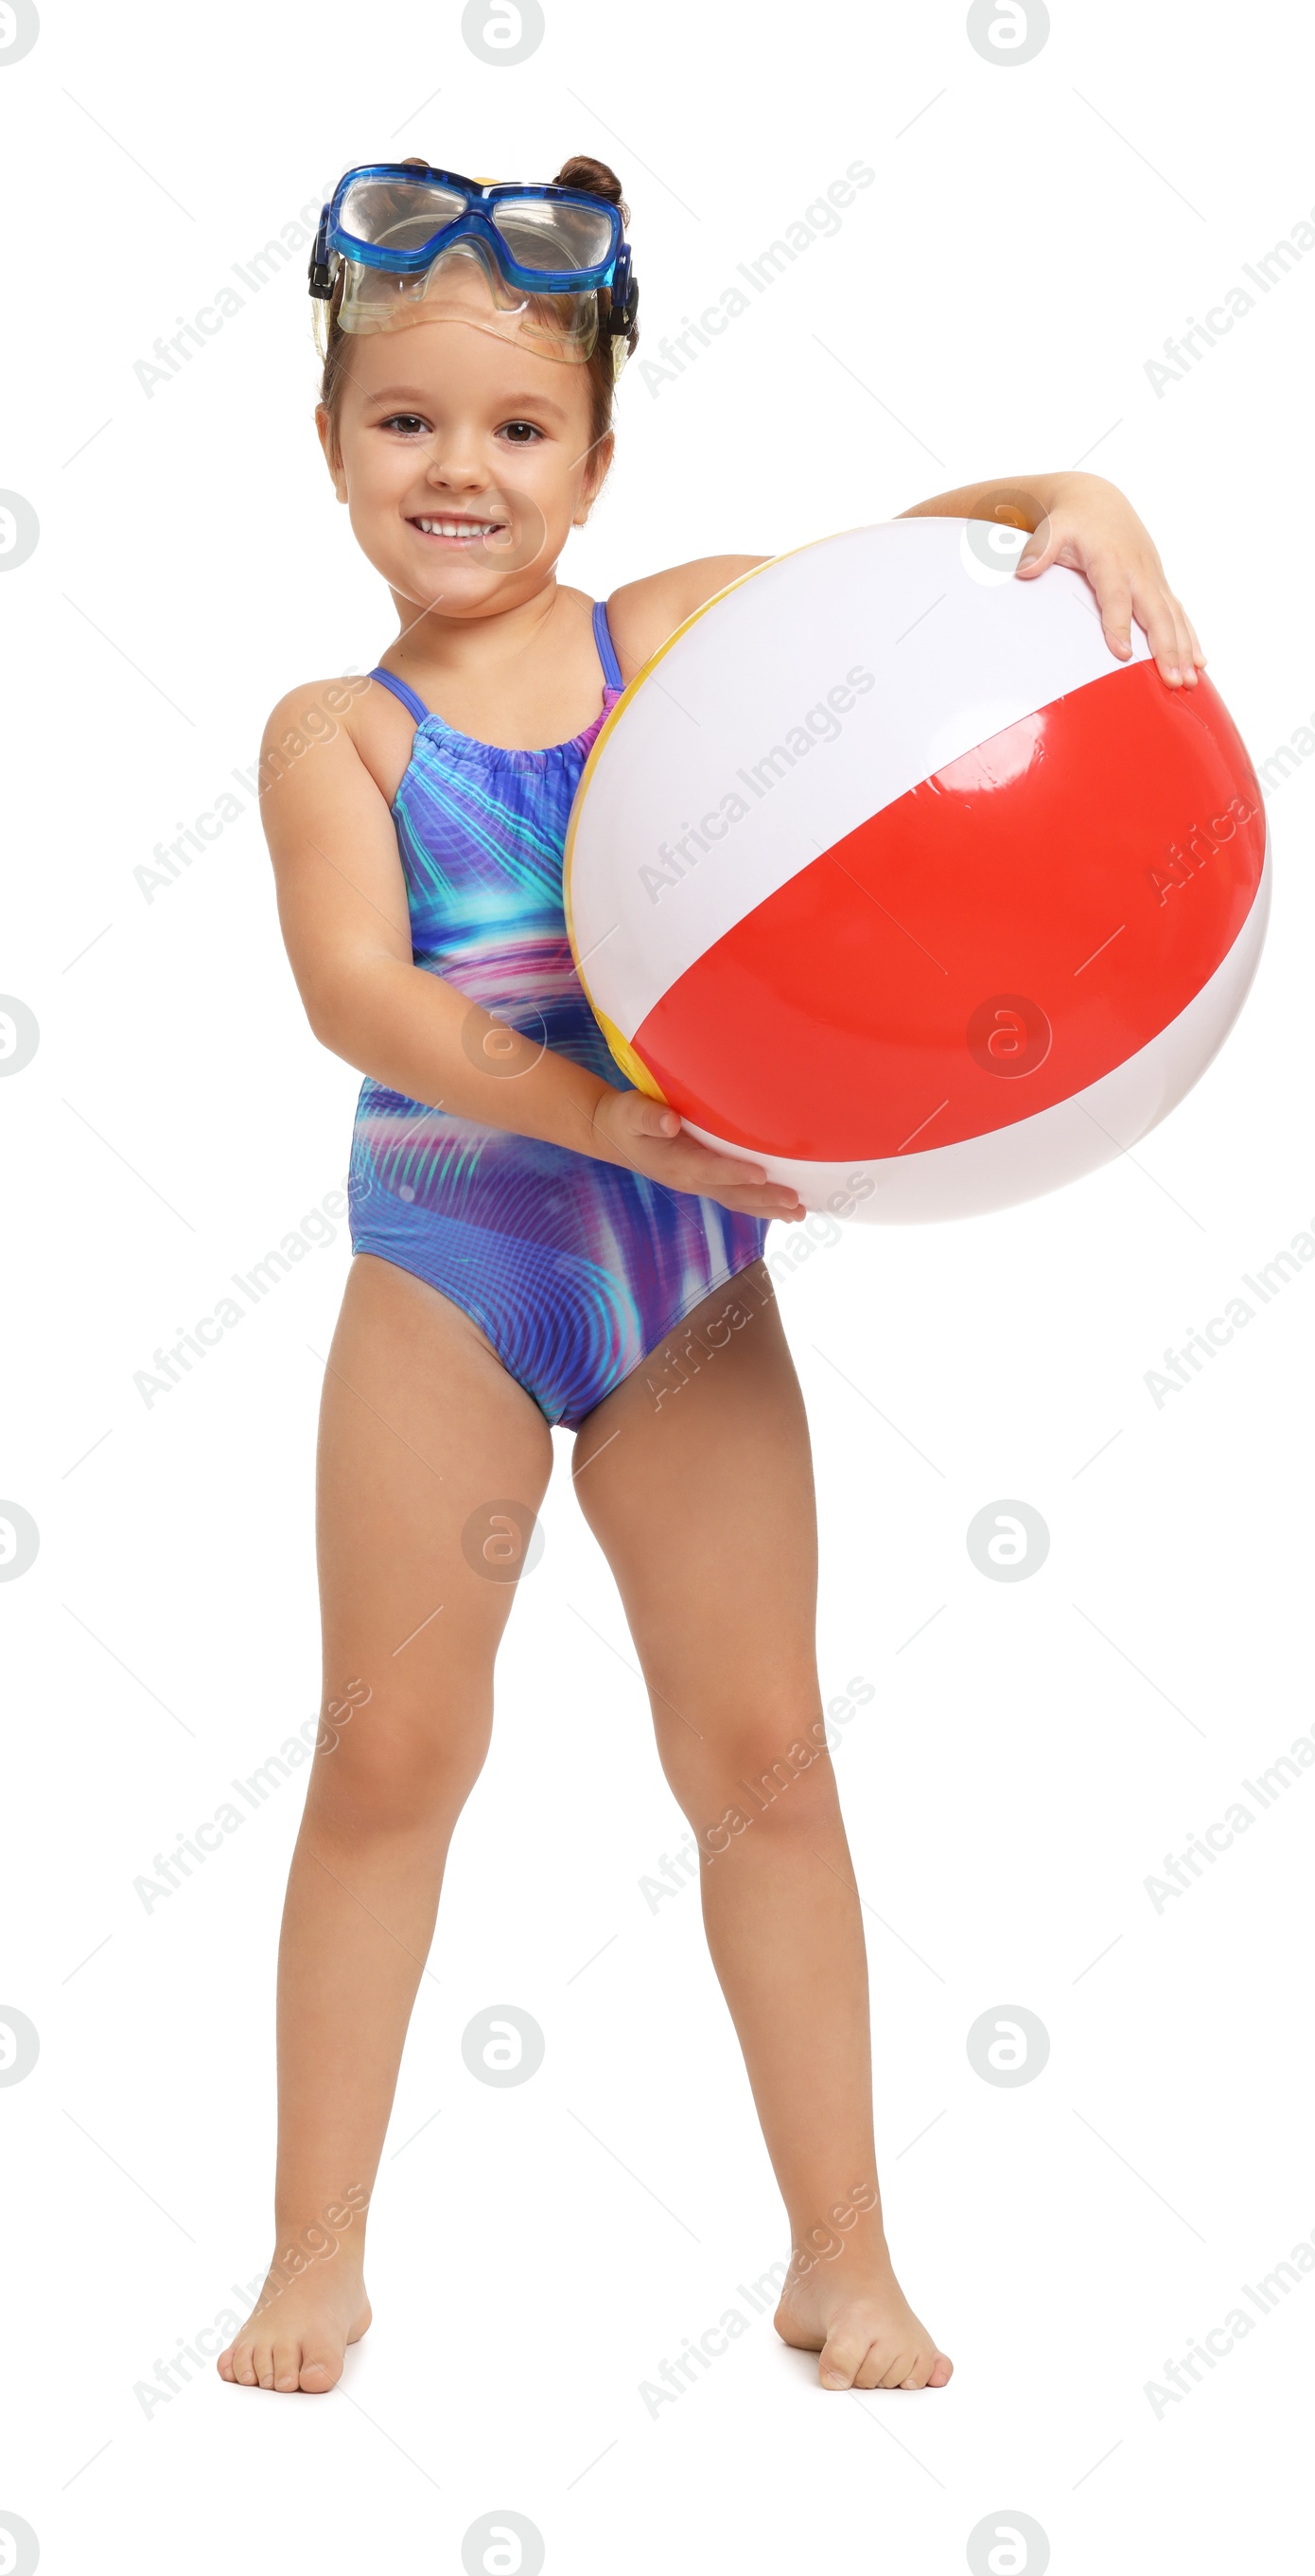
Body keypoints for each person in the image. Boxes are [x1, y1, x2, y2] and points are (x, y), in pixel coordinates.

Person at [217, 153, 1206, 2399]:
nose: (458, 469)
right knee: (395, 1755)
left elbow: (908, 599)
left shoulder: (662, 645)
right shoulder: (335, 734)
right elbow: (363, 1004)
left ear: (592, 455)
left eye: (516, 430)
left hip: (685, 1287)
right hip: (456, 1271)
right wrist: (603, 1126)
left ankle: (839, 2258)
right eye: (405, 424)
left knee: (764, 1755)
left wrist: (1078, 493)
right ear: (330, 446)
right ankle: (313, 2255)